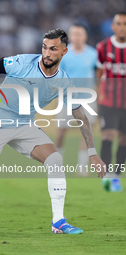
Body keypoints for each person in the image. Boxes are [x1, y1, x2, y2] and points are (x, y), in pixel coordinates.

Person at [0, 29, 106, 235]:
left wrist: (93, 153)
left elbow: (80, 116)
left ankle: (58, 222)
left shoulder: (64, 81)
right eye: (44, 48)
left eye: (53, 49)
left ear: (64, 52)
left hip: (24, 123)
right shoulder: (23, 63)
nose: (47, 53)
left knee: (55, 160)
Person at [55, 24, 97, 176]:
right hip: (66, 99)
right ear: (70, 37)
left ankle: (82, 167)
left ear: (85, 36)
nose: (77, 37)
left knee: (86, 133)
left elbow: (99, 72)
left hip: (87, 99)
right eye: (74, 34)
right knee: (61, 132)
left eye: (80, 34)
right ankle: (57, 164)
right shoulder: (63, 54)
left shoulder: (93, 54)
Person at [98, 12, 126, 192]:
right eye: (119, 23)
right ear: (113, 26)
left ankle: (117, 176)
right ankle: (107, 176)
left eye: (125, 24)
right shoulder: (103, 47)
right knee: (107, 136)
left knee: (124, 140)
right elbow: (99, 73)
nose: (122, 27)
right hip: (108, 101)